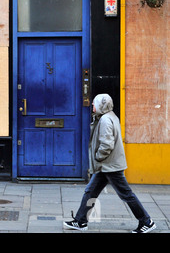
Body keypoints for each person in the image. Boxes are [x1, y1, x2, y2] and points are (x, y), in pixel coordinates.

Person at [63, 93, 156, 233]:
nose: (92, 106)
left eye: (95, 103)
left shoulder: (105, 120)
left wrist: (98, 157)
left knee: (126, 194)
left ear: (101, 105)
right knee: (90, 191)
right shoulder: (110, 116)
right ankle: (81, 221)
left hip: (110, 165)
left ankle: (146, 221)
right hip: (106, 165)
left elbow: (107, 145)